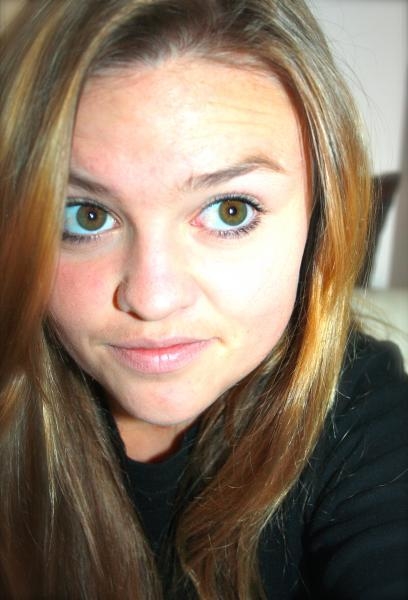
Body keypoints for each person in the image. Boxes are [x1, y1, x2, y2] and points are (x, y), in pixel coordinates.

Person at [0, 0, 407, 598]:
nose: (153, 299)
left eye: (229, 210)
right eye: (85, 216)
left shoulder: (363, 411)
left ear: (319, 220)